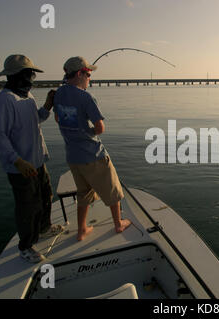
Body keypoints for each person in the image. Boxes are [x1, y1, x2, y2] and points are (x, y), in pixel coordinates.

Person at [0, 54, 64, 263]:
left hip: (38, 162)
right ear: (15, 76)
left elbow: (37, 119)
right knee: (27, 207)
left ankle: (44, 228)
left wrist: (48, 105)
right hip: (20, 167)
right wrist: (17, 161)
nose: (32, 77)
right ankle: (26, 246)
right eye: (29, 73)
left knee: (45, 196)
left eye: (32, 73)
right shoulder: (4, 101)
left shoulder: (28, 97)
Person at [53, 56, 131, 241]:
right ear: (80, 73)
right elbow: (100, 128)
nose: (90, 78)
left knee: (83, 194)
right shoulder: (86, 97)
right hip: (93, 154)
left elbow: (57, 119)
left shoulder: (58, 94)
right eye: (88, 74)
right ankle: (118, 224)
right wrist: (88, 131)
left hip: (73, 157)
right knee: (113, 190)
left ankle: (81, 230)